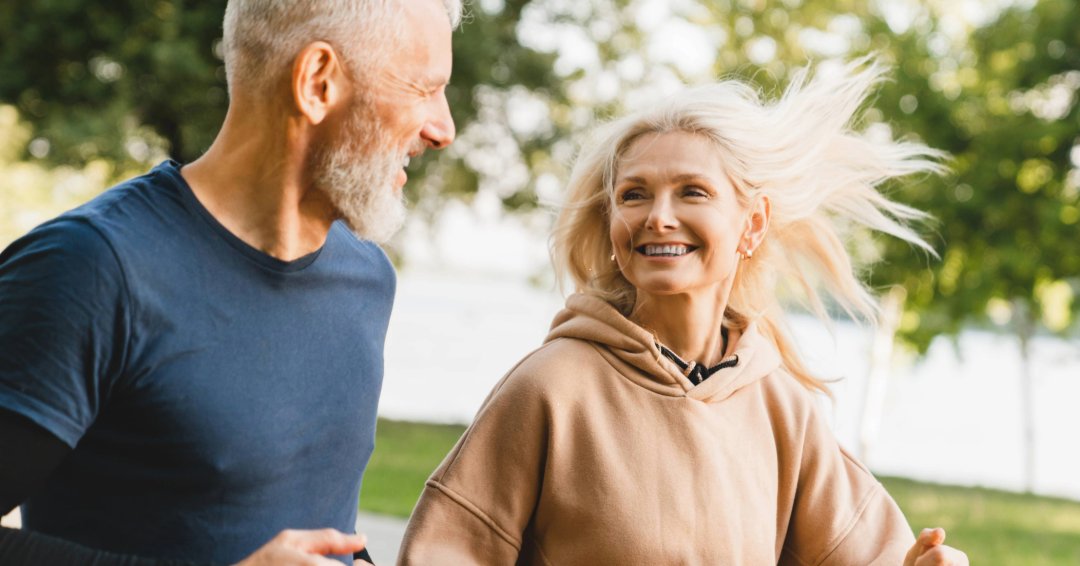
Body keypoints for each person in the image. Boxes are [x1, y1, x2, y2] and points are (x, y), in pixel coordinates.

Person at [397, 59, 970, 566]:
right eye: (634, 194)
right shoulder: (550, 388)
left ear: (753, 223)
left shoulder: (783, 409)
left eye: (692, 191)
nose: (658, 217)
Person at [0, 0, 460, 564]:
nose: (444, 130)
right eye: (422, 87)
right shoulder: (89, 269)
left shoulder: (366, 277)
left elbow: (311, 526)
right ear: (317, 82)